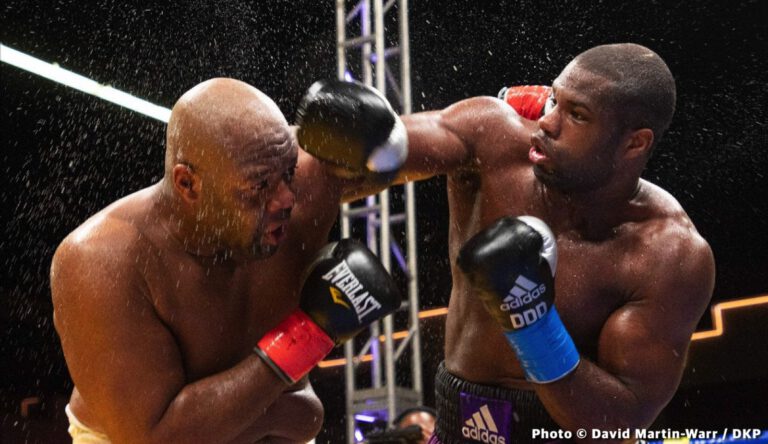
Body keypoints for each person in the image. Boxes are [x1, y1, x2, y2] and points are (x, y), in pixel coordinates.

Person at [50, 77, 407, 443]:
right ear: (188, 184)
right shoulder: (103, 260)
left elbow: (448, 137)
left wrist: (391, 145)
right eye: (259, 186)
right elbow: (154, 438)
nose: (286, 198)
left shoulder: (307, 172)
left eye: (288, 173)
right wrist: (307, 335)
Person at [388, 43, 715, 442]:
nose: (547, 123)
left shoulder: (668, 253)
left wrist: (532, 323)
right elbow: (380, 147)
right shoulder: (494, 140)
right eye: (554, 100)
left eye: (577, 114)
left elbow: (621, 421)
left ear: (635, 143)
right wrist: (350, 136)